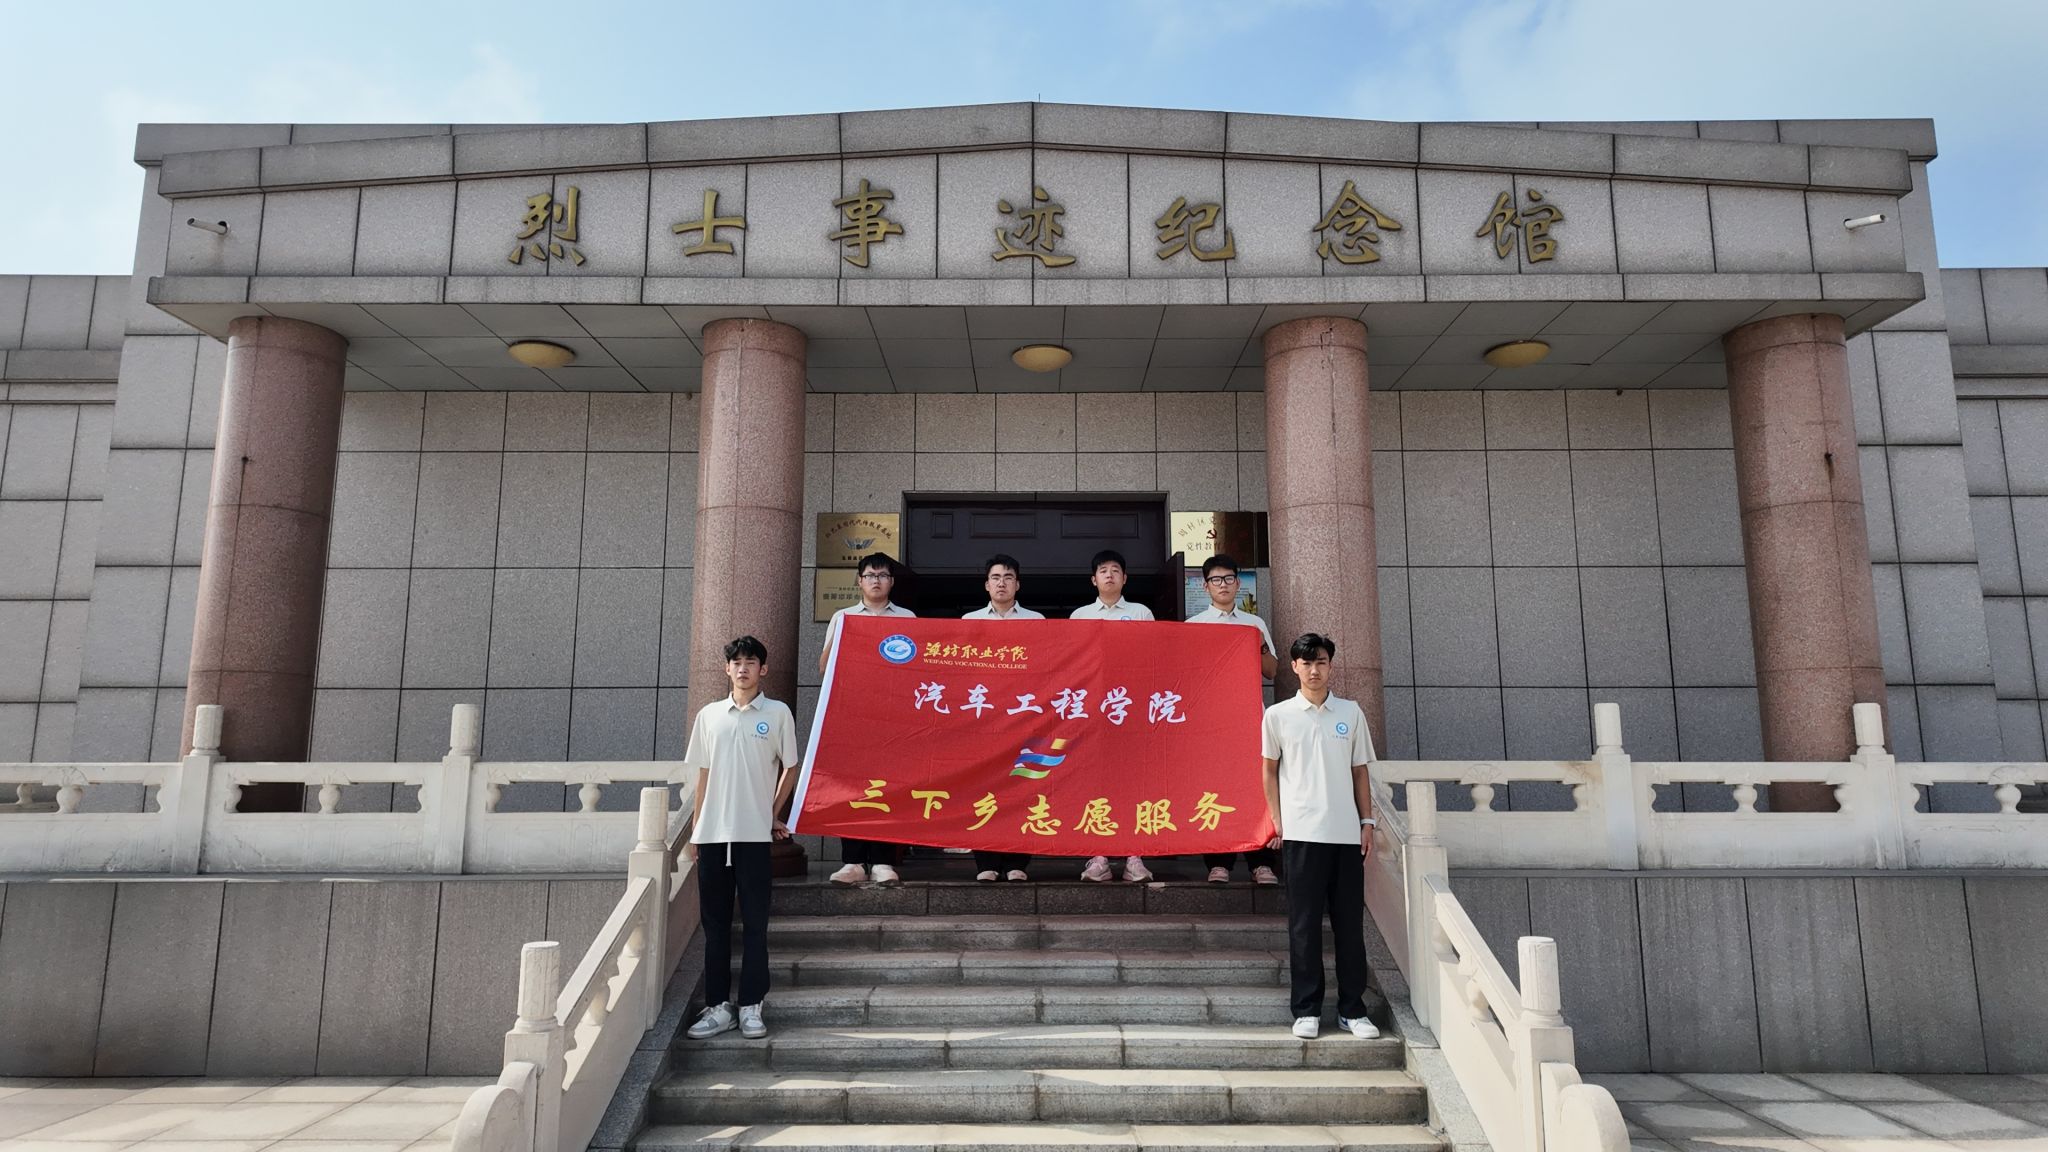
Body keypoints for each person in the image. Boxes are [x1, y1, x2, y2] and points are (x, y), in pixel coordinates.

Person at [1262, 632, 1380, 1041]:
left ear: (1330, 666)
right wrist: (1277, 820)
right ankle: (1306, 1009)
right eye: (1307, 662)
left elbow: (1359, 771)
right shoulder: (1278, 716)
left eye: (1321, 662)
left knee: (1349, 926)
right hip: (1301, 835)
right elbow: (1268, 771)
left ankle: (1353, 1010)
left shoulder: (1350, 712)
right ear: (1295, 666)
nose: (1314, 670)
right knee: (1304, 926)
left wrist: (1367, 822)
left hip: (1346, 835)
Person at [683, 635, 801, 1042]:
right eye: (737, 662)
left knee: (755, 922)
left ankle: (751, 1004)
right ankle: (718, 1007)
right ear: (727, 669)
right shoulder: (710, 716)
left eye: (751, 662)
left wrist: (771, 813)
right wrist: (697, 827)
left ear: (762, 669)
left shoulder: (777, 713)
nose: (743, 668)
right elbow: (703, 773)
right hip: (713, 835)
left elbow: (791, 766)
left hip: (753, 836)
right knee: (715, 924)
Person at [818, 551, 916, 886]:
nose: (877, 581)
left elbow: (918, 668)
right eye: (871, 575)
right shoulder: (843, 616)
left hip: (894, 720)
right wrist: (847, 636)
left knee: (889, 788)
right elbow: (825, 667)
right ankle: (854, 861)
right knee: (853, 789)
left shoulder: (907, 618)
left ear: (892, 582)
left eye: (883, 575)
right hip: (854, 719)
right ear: (859, 581)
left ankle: (884, 861)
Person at [1186, 554, 1282, 885]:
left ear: (1238, 583)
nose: (1223, 585)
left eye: (1229, 578)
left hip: (1248, 721)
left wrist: (1258, 646)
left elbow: (1272, 671)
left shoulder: (1254, 624)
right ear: (1205, 586)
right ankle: (1218, 862)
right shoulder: (1194, 626)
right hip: (1210, 724)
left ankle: (1261, 862)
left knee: (1255, 788)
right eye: (1216, 580)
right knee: (1214, 790)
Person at [1069, 550, 1155, 883]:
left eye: (1115, 570)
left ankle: (1134, 856)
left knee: (1133, 782)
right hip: (1093, 713)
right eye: (1103, 570)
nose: (1109, 575)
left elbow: (1152, 657)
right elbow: (1072, 663)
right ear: (1094, 579)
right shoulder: (1080, 615)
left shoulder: (1141, 612)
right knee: (1095, 783)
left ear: (1125, 578)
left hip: (1131, 711)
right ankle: (1098, 857)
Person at [963, 553, 1043, 882]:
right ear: (986, 585)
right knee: (984, 789)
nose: (1001, 583)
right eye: (996, 577)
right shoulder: (969, 621)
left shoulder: (1037, 622)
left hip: (1024, 720)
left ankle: (1016, 863)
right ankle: (986, 862)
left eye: (1008, 577)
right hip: (983, 722)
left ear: (1017, 584)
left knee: (1022, 789)